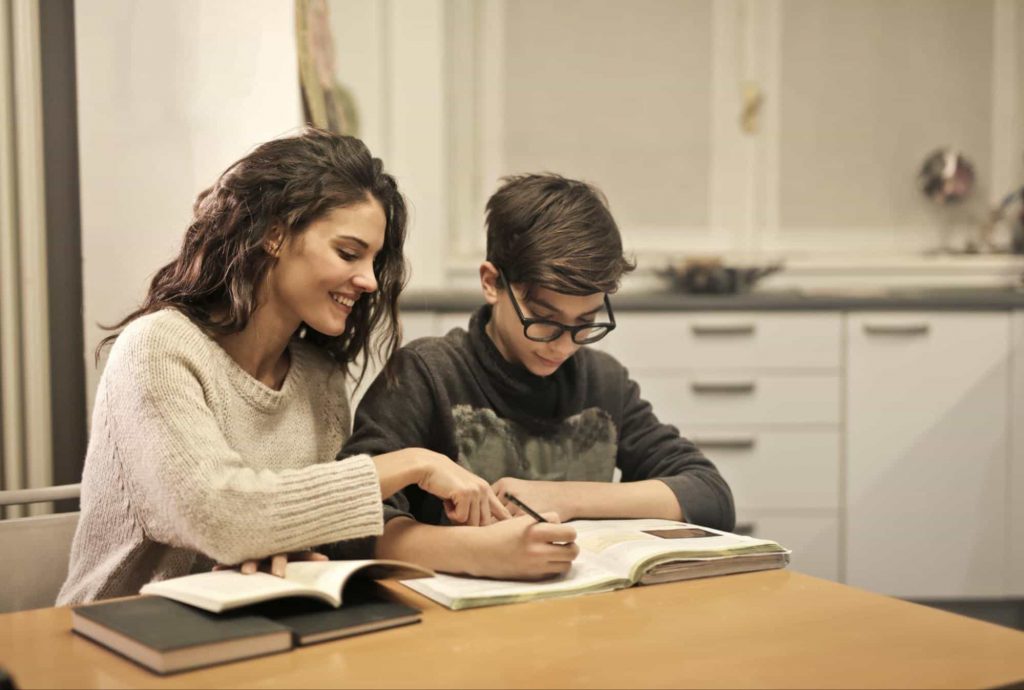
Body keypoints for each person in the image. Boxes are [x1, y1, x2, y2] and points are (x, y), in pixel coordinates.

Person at [58, 129, 507, 605]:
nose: (369, 281)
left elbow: (290, 534)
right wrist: (413, 462)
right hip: (115, 640)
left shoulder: (319, 378)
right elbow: (223, 516)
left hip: (255, 634)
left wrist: (284, 551)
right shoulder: (157, 350)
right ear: (274, 233)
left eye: (375, 261)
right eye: (349, 253)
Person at [339, 173, 735, 580]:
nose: (563, 346)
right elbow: (344, 521)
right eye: (544, 321)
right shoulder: (427, 374)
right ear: (492, 283)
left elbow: (709, 494)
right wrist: (475, 552)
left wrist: (564, 498)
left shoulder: (603, 381)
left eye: (585, 322)